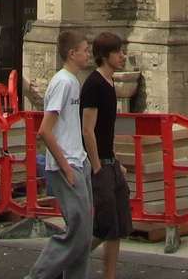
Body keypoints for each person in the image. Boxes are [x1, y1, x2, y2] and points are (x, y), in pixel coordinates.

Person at [28, 28, 94, 279]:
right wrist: (67, 167)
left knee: (84, 235)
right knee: (77, 233)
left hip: (79, 162)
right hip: (68, 166)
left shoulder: (73, 81)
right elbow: (45, 130)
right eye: (85, 50)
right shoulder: (63, 82)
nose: (88, 55)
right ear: (72, 53)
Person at [80, 31, 133, 279]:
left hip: (110, 163)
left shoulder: (110, 83)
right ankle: (66, 263)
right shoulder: (94, 85)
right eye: (117, 52)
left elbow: (105, 131)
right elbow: (87, 130)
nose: (122, 56)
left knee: (117, 226)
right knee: (102, 226)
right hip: (99, 165)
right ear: (104, 56)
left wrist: (115, 163)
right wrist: (97, 166)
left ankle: (108, 276)